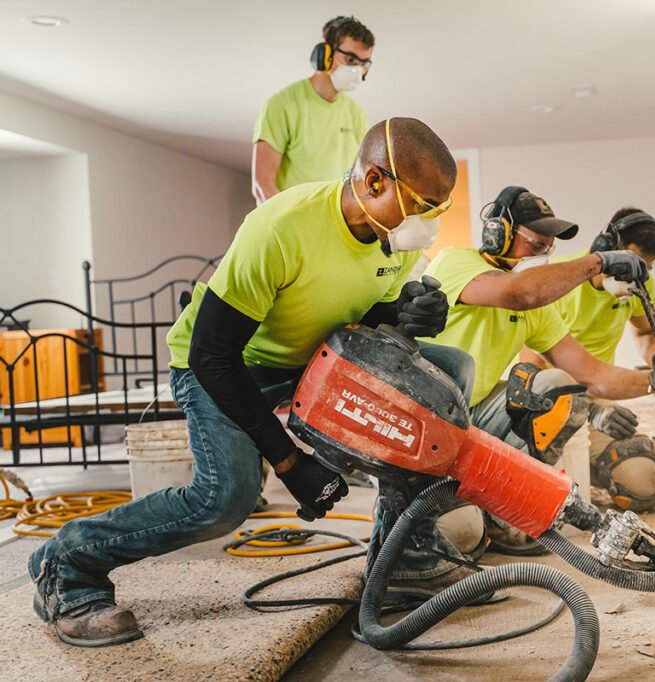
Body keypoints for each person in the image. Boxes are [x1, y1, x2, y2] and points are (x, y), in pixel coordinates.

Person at [29, 117, 467, 647]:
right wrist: (289, 461)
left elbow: (365, 314)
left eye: (437, 210)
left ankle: (403, 554)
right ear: (375, 182)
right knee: (223, 499)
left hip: (310, 358)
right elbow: (212, 355)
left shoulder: (389, 239)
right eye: (423, 204)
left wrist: (412, 313)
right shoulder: (281, 228)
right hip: (223, 365)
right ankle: (67, 563)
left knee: (448, 371)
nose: (429, 222)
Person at [421, 186, 655, 552]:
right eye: (537, 244)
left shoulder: (538, 307)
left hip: (478, 415)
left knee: (555, 387)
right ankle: (459, 504)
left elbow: (591, 374)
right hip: (426, 419)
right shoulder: (458, 263)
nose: (544, 254)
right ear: (497, 235)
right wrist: (598, 262)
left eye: (549, 247)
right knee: (460, 535)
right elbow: (520, 293)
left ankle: (503, 506)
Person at [521, 207, 655, 511]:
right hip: (544, 408)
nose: (636, 277)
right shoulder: (557, 283)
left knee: (642, 485)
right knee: (532, 506)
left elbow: (645, 334)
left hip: (597, 396)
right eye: (631, 264)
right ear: (606, 248)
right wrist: (587, 411)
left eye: (645, 269)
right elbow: (533, 375)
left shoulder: (638, 283)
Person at [252, 15, 374, 204]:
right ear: (325, 54)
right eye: (350, 59)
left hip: (330, 225)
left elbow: (353, 184)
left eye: (363, 64)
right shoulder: (282, 104)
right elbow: (263, 184)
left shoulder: (357, 115)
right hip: (287, 225)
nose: (357, 69)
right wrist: (291, 227)